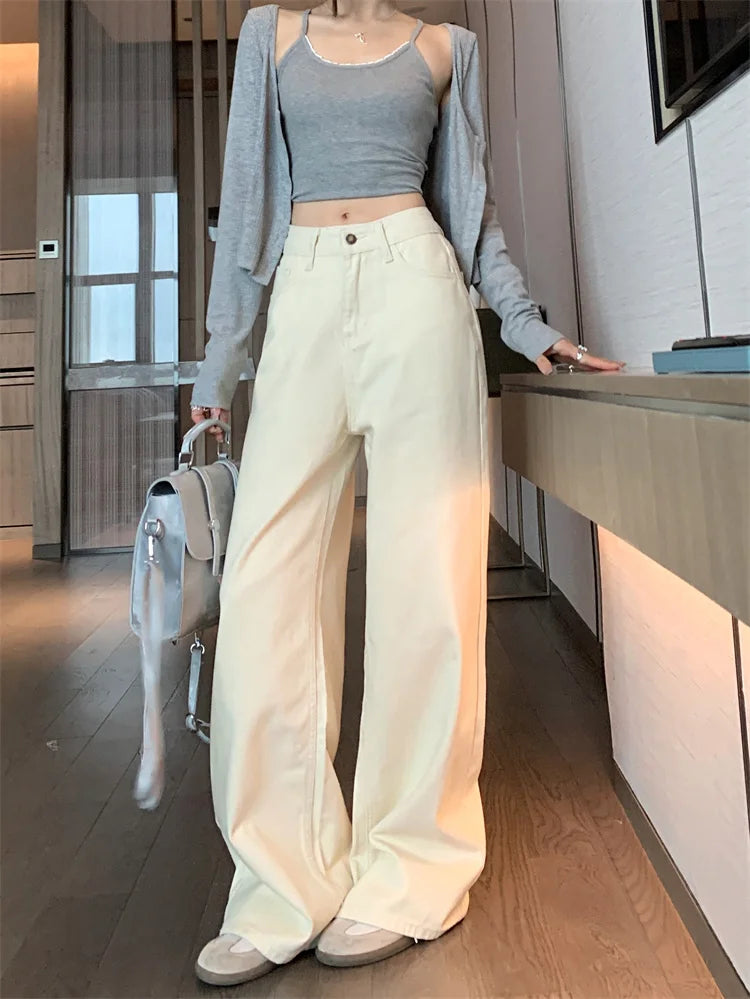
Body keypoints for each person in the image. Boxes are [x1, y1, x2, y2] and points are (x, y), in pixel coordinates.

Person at [190, 0, 624, 987]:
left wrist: (526, 324)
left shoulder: (444, 48)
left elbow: (472, 214)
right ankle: (280, 885)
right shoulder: (270, 34)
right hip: (303, 294)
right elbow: (247, 202)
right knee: (263, 595)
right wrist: (221, 360)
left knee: (426, 589)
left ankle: (410, 872)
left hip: (417, 291)